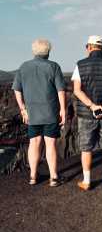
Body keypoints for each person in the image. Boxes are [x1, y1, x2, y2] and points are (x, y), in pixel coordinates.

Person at [12, 39, 66, 187]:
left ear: (33, 51)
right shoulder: (54, 67)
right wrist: (63, 110)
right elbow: (61, 90)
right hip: (50, 112)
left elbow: (17, 89)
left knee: (34, 143)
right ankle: (54, 178)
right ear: (48, 51)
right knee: (50, 144)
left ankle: (33, 176)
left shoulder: (24, 67)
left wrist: (23, 109)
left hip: (32, 113)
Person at [72, 35, 102, 192]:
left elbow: (77, 90)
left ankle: (87, 181)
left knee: (86, 148)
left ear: (89, 47)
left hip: (86, 114)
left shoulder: (80, 65)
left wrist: (93, 106)